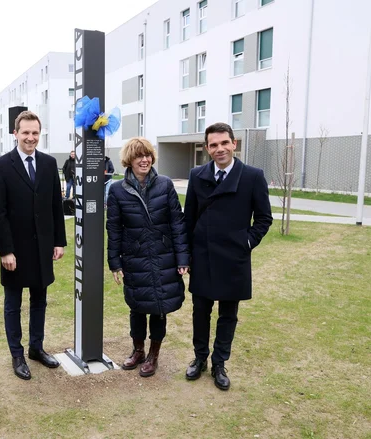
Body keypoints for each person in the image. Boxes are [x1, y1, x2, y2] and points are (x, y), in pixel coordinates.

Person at [184, 122, 273, 391]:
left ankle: (220, 362)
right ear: (207, 148)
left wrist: (246, 241)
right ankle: (200, 358)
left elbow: (264, 218)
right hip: (202, 255)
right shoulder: (197, 175)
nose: (219, 149)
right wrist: (186, 255)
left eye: (224, 143)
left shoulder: (253, 176)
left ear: (234, 144)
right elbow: (189, 219)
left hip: (234, 257)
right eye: (213, 144)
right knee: (200, 311)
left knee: (228, 313)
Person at [0, 110, 67, 380]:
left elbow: (56, 206)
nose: (30, 138)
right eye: (25, 133)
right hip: (16, 249)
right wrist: (6, 251)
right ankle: (17, 355)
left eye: (35, 133)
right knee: (13, 303)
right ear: (15, 133)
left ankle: (36, 348)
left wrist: (59, 241)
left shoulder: (48, 164)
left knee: (40, 301)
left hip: (43, 247)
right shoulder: (1, 166)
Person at [106, 137, 190, 377]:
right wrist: (115, 262)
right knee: (137, 306)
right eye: (138, 156)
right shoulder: (117, 189)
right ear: (129, 160)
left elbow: (177, 223)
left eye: (148, 155)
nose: (144, 160)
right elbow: (114, 229)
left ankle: (154, 355)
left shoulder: (164, 185)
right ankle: (138, 350)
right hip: (135, 258)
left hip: (164, 256)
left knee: (159, 308)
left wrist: (183, 258)